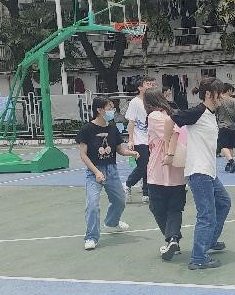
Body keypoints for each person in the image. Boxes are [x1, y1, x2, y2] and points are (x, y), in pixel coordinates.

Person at [171, 77, 232, 270]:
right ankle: (198, 257)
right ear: (208, 94)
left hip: (209, 171)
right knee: (206, 215)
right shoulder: (197, 112)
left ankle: (209, 240)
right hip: (199, 171)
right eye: (219, 93)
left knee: (224, 202)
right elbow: (170, 120)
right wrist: (168, 151)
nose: (222, 96)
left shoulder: (211, 114)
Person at [76, 97, 139, 251]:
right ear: (99, 110)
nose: (112, 111)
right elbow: (83, 155)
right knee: (92, 204)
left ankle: (112, 222)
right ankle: (91, 237)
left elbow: (119, 149)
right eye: (109, 108)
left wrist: (131, 153)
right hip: (94, 171)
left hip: (111, 170)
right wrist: (96, 172)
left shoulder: (112, 128)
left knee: (120, 200)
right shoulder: (87, 129)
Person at [144, 88, 187, 261]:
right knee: (175, 208)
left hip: (160, 170)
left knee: (157, 206)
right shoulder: (172, 114)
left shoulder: (154, 116)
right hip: (178, 170)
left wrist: (168, 153)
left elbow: (172, 133)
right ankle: (173, 238)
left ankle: (171, 239)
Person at [124, 76, 157, 203]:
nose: (151, 86)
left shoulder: (152, 101)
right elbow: (131, 122)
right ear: (140, 87)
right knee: (143, 165)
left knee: (150, 167)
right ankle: (128, 184)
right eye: (147, 84)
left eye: (152, 84)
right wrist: (130, 139)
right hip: (139, 139)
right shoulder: (135, 102)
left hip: (151, 139)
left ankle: (146, 193)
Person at [215, 83, 235, 174]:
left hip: (222, 125)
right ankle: (229, 164)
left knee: (223, 145)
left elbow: (214, 112)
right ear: (228, 90)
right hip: (232, 126)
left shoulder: (219, 100)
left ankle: (232, 161)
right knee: (230, 146)